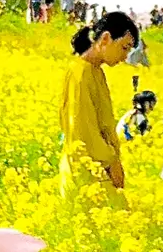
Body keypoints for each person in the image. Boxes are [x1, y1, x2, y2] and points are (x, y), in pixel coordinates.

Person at [58, 11, 139, 205]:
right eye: (124, 47)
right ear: (105, 39)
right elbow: (83, 131)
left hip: (100, 169)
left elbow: (104, 124)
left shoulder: (96, 72)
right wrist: (111, 162)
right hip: (87, 172)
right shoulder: (80, 74)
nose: (125, 56)